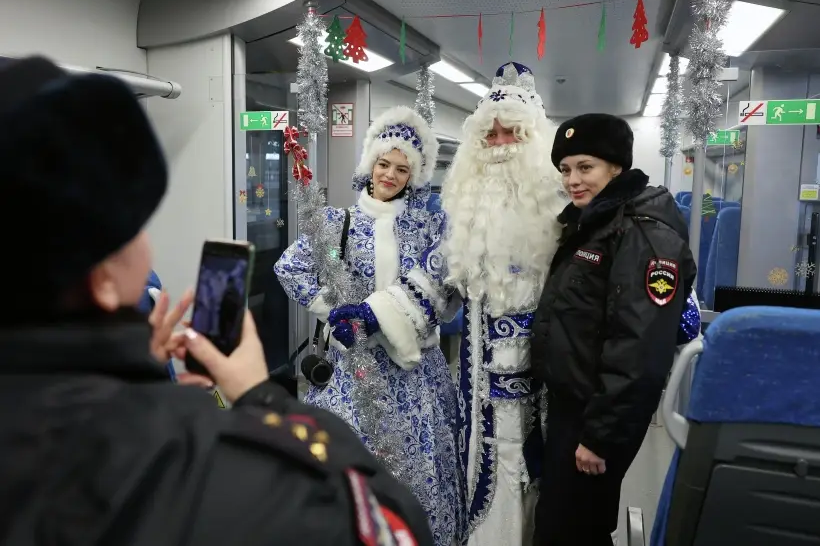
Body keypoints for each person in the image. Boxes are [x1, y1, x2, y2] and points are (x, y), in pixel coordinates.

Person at [0, 56, 434, 546]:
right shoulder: (204, 464)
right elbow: (392, 528)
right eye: (132, 233)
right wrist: (260, 395)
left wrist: (133, 379)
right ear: (100, 281)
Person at [274, 106, 462, 546]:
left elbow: (447, 288)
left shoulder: (427, 227)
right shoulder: (337, 222)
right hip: (352, 368)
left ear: (414, 175)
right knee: (351, 466)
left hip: (416, 374)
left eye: (402, 169)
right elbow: (290, 267)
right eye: (383, 164)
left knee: (419, 469)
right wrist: (328, 308)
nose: (390, 175)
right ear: (369, 165)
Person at [530, 113, 697, 546]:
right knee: (565, 523)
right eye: (565, 169)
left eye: (586, 167)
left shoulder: (642, 232)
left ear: (617, 167)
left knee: (572, 529)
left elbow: (640, 346)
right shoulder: (598, 222)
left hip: (596, 416)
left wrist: (601, 437)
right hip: (578, 406)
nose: (572, 180)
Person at [440, 62, 567, 546]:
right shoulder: (463, 212)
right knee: (485, 475)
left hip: (547, 384)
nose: (498, 146)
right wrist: (375, 313)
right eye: (489, 136)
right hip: (478, 391)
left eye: (510, 133)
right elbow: (437, 278)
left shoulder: (561, 207)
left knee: (539, 478)